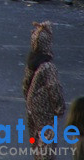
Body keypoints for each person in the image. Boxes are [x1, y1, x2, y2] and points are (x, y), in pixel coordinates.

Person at [23, 21, 66, 160]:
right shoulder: (48, 67)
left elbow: (25, 84)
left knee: (35, 134)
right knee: (47, 135)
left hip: (31, 105)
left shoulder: (32, 63)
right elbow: (54, 87)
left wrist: (27, 99)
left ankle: (38, 156)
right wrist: (59, 107)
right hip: (44, 106)